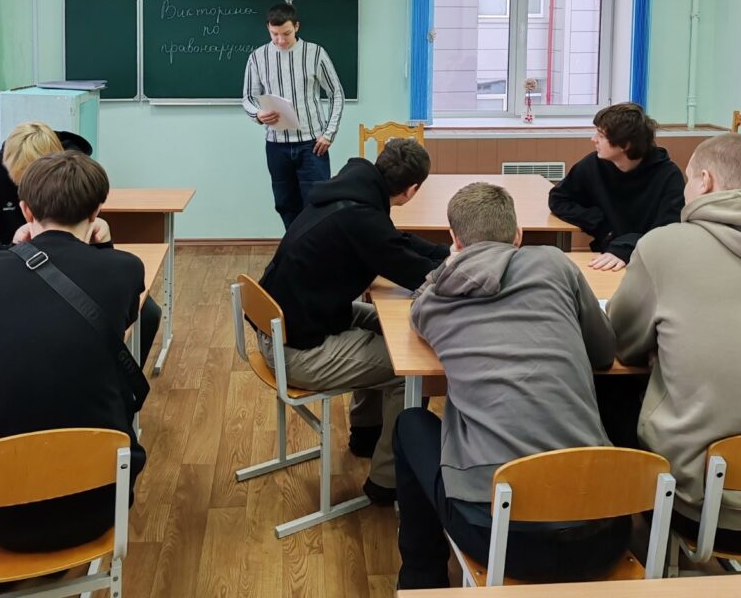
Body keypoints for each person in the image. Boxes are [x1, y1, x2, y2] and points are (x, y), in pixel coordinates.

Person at [394, 182, 629, 589]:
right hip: (603, 532)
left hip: (500, 538)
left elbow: (423, 301)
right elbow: (603, 354)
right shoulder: (555, 265)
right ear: (518, 235)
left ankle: (422, 582)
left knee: (410, 423)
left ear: (454, 241)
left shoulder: (431, 303)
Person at [0, 150, 148, 552]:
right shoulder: (125, 268)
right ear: (97, 211)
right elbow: (120, 315)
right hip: (99, 503)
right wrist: (104, 245)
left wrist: (13, 250)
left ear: (25, 210)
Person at [257, 139, 448, 503]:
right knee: (409, 370)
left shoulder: (355, 183)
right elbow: (416, 273)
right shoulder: (363, 220)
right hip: (297, 350)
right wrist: (458, 263)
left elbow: (395, 241)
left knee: (384, 326)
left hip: (285, 323)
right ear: (411, 191)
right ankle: (387, 482)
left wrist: (447, 252)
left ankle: (366, 434)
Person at [608, 133, 741, 552]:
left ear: (705, 181)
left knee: (607, 391)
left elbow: (621, 343)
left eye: (688, 179)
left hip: (700, 506)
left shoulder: (664, 245)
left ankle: (609, 536)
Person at [0, 121, 161, 366]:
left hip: (71, 263)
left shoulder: (75, 171)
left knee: (147, 313)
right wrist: (7, 254)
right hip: (17, 264)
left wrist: (100, 245)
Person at [242, 1, 345, 229]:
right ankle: (295, 243)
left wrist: (329, 133)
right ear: (268, 28)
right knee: (285, 203)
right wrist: (258, 113)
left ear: (296, 26)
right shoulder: (258, 57)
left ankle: (315, 247)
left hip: (313, 144)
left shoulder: (315, 53)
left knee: (318, 203)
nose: (280, 40)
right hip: (276, 145)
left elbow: (336, 93)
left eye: (286, 33)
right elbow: (248, 97)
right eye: (274, 34)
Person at [549, 102, 684, 272]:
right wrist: (602, 226)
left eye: (601, 135)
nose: (593, 139)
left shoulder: (669, 176)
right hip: (607, 257)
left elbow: (668, 231)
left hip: (651, 262)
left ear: (625, 145)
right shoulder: (593, 164)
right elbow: (559, 198)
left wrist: (627, 246)